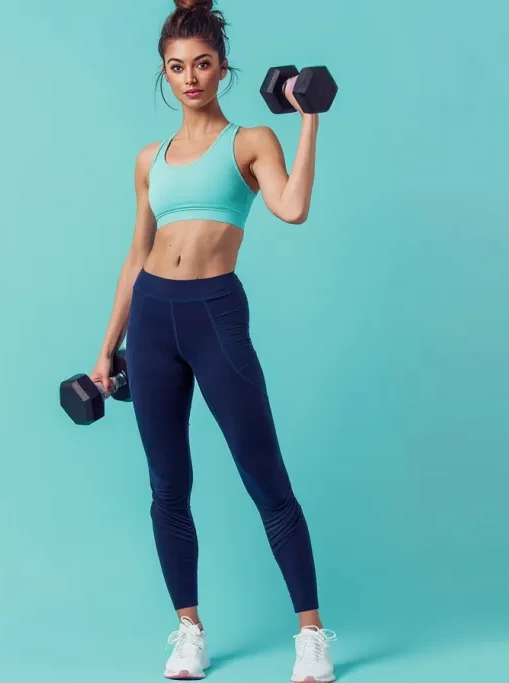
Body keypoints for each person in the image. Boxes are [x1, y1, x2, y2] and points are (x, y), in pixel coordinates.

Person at [89, 0, 337, 680]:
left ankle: (311, 636)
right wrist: (106, 346)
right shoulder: (150, 158)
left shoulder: (251, 140)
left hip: (214, 311)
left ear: (223, 68)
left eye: (201, 64)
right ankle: (188, 631)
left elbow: (292, 208)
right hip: (152, 320)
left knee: (267, 480)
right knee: (167, 485)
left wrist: (309, 114)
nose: (190, 77)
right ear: (164, 74)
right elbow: (134, 257)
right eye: (176, 67)